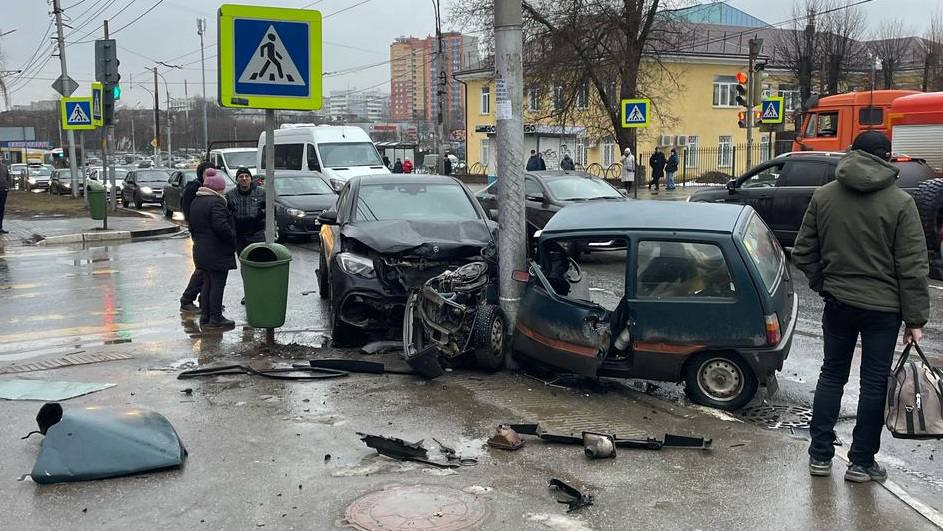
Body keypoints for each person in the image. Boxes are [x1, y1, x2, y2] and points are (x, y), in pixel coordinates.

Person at [793, 131, 930, 483]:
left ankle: (820, 456)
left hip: (838, 302)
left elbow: (804, 252)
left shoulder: (824, 196)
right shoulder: (901, 203)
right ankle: (861, 463)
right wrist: (915, 320)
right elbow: (912, 267)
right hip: (884, 311)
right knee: (873, 385)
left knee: (831, 375)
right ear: (886, 158)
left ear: (852, 154)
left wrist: (825, 285)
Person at [189, 168, 237, 328]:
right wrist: (232, 239)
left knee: (207, 283)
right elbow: (221, 226)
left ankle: (206, 316)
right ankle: (215, 317)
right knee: (217, 284)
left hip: (201, 249)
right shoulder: (216, 202)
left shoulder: (197, 201)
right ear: (217, 188)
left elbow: (192, 226)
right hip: (216, 251)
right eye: (222, 188)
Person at [179, 161, 215, 313]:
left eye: (213, 173)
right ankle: (187, 299)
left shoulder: (212, 188)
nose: (211, 176)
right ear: (201, 174)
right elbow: (188, 212)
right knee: (203, 269)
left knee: (210, 269)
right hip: (201, 235)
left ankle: (206, 300)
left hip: (211, 235)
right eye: (207, 173)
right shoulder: (193, 188)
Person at [0, 159, 11, 234]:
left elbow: (8, 177)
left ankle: (0, 227)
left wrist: (7, 187)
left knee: (1, 209)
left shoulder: (4, 167)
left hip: (3, 190)